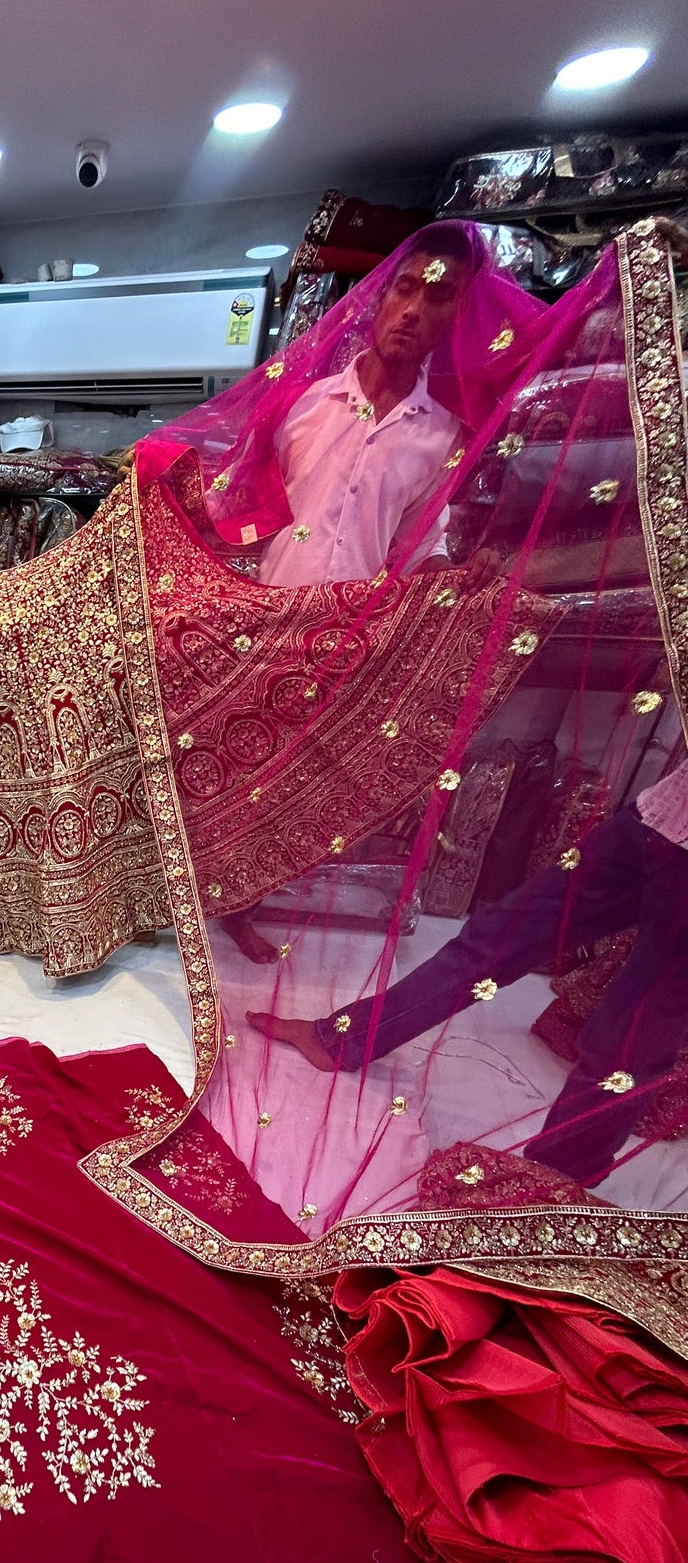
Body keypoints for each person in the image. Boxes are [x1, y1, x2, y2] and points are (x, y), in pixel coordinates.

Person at [220, 224, 477, 964]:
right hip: (263, 623)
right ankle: (181, 893)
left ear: (456, 317)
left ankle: (241, 901)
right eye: (405, 289)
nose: (413, 311)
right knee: (226, 765)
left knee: (291, 783)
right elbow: (239, 506)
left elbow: (417, 546)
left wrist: (462, 585)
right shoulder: (303, 406)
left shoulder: (441, 438)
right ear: (379, 297)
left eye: (437, 298)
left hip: (346, 639)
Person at [247, 763, 688, 1187]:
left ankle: (552, 1184)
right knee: (499, 936)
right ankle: (345, 1040)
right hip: (656, 818)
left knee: (633, 1026)